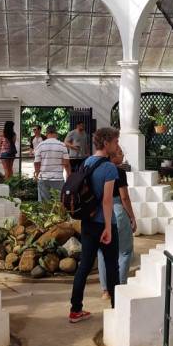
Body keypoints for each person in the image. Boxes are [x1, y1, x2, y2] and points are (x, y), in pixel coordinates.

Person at [69, 127, 120, 323]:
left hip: (87, 223)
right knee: (111, 266)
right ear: (106, 143)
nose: (117, 145)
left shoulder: (86, 162)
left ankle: (75, 309)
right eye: (115, 142)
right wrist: (108, 227)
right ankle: (116, 308)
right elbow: (107, 200)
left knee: (84, 266)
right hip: (104, 224)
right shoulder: (109, 168)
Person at [98, 144, 136, 302]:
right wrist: (132, 217)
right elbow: (124, 197)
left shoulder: (98, 170)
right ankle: (119, 288)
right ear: (112, 156)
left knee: (102, 252)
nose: (122, 156)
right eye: (120, 153)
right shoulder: (118, 171)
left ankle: (105, 291)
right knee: (124, 251)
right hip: (118, 210)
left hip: (100, 212)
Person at [33, 125, 70, 201]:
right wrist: (68, 176)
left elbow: (37, 163)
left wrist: (37, 175)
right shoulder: (62, 145)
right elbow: (66, 163)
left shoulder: (40, 145)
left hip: (43, 177)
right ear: (56, 133)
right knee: (59, 203)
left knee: (44, 205)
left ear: (46, 134)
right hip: (58, 178)